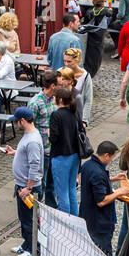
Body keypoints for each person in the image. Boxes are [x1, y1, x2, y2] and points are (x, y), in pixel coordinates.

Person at [2, 107, 42, 256]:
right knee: (24, 218)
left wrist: (29, 187)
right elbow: (26, 154)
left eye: (17, 122)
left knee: (30, 220)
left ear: (22, 121)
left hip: (28, 188)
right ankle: (27, 244)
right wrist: (15, 152)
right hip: (22, 185)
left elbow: (34, 164)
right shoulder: (29, 136)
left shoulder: (32, 140)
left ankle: (34, 250)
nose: (16, 124)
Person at [79, 141, 127, 256]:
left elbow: (94, 184)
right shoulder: (98, 173)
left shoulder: (87, 165)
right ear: (106, 155)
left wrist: (113, 179)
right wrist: (119, 192)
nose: (111, 161)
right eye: (112, 158)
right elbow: (101, 201)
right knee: (103, 255)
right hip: (99, 223)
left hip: (87, 217)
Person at [48, 87, 83, 215]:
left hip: (61, 157)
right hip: (75, 155)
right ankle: (74, 220)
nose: (52, 98)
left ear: (60, 100)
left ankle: (65, 222)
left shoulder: (56, 115)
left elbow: (54, 138)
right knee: (71, 190)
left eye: (54, 97)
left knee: (62, 193)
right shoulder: (74, 113)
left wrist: (49, 133)